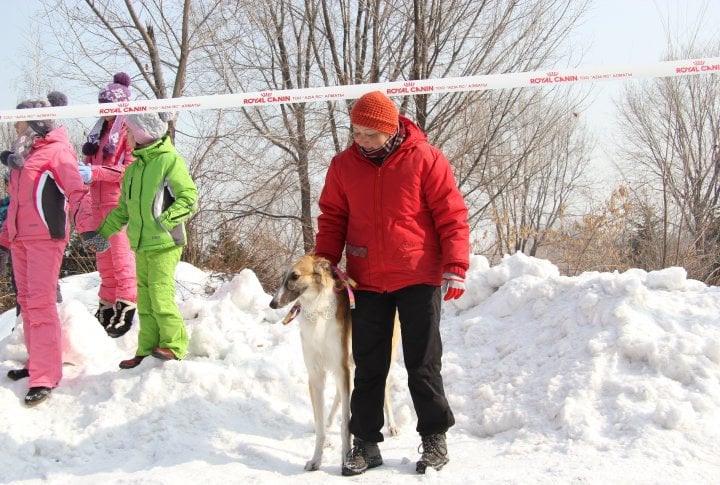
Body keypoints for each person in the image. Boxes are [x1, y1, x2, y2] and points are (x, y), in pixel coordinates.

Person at [313, 91, 470, 475]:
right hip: (366, 279)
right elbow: (332, 217)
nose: (361, 140)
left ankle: (434, 437)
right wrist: (325, 264)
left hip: (418, 275)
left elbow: (451, 213)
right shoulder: (343, 166)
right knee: (369, 364)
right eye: (356, 132)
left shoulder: (425, 159)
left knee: (423, 362)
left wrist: (455, 263)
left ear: (391, 128)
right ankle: (365, 443)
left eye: (370, 134)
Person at [83, 111, 198, 369]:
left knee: (160, 295)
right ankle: (146, 348)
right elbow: (122, 210)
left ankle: (175, 345)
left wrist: (164, 221)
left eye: (131, 132)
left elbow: (189, 197)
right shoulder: (134, 168)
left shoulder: (169, 160)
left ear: (144, 133)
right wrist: (101, 233)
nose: (128, 137)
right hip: (141, 244)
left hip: (165, 243)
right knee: (145, 299)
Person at [0, 91, 89, 407]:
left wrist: (91, 229)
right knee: (27, 302)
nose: (14, 125)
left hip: (45, 239)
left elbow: (77, 190)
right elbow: (16, 204)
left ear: (34, 122)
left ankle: (45, 376)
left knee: (40, 304)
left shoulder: (56, 152)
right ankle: (36, 362)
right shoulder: (22, 154)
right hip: (21, 239)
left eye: (18, 120)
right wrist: (6, 236)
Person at [77, 72, 137, 338]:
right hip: (96, 206)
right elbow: (91, 168)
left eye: (110, 106)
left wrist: (97, 172)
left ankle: (127, 306)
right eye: (102, 106)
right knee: (105, 260)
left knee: (121, 258)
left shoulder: (128, 132)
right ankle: (107, 305)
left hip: (118, 205)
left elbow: (128, 169)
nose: (106, 111)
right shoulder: (98, 134)